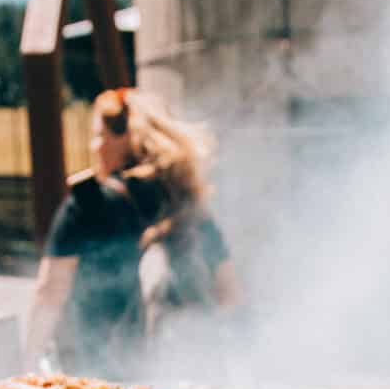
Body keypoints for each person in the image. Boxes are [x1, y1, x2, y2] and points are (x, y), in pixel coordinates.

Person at [24, 87, 242, 369]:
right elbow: (229, 291)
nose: (94, 146)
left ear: (125, 139)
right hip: (187, 374)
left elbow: (50, 291)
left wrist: (28, 364)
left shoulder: (88, 203)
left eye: (99, 135)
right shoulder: (189, 207)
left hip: (106, 380)